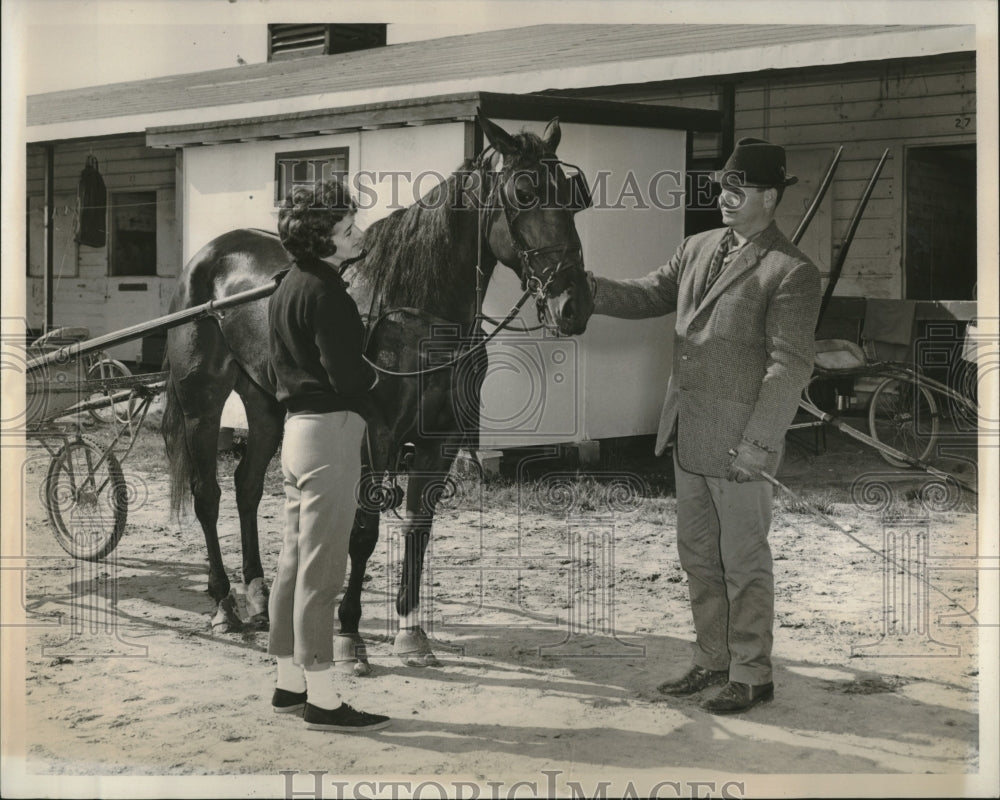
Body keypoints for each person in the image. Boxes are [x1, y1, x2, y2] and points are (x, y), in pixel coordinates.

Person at [589, 138, 822, 714]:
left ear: (768, 197)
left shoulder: (790, 272)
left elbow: (788, 365)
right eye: (722, 185)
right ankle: (710, 660)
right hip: (689, 436)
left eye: (737, 188)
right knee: (697, 555)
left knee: (743, 562)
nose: (724, 196)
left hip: (741, 445)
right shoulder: (696, 248)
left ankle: (751, 673)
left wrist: (759, 444)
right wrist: (583, 284)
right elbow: (648, 294)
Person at [266, 178, 389, 732]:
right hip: (331, 434)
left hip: (295, 434)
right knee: (324, 573)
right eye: (346, 229)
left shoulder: (287, 286)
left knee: (293, 564)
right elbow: (348, 375)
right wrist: (375, 375)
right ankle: (323, 698)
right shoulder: (329, 294)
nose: (358, 233)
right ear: (321, 242)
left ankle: (288, 684)